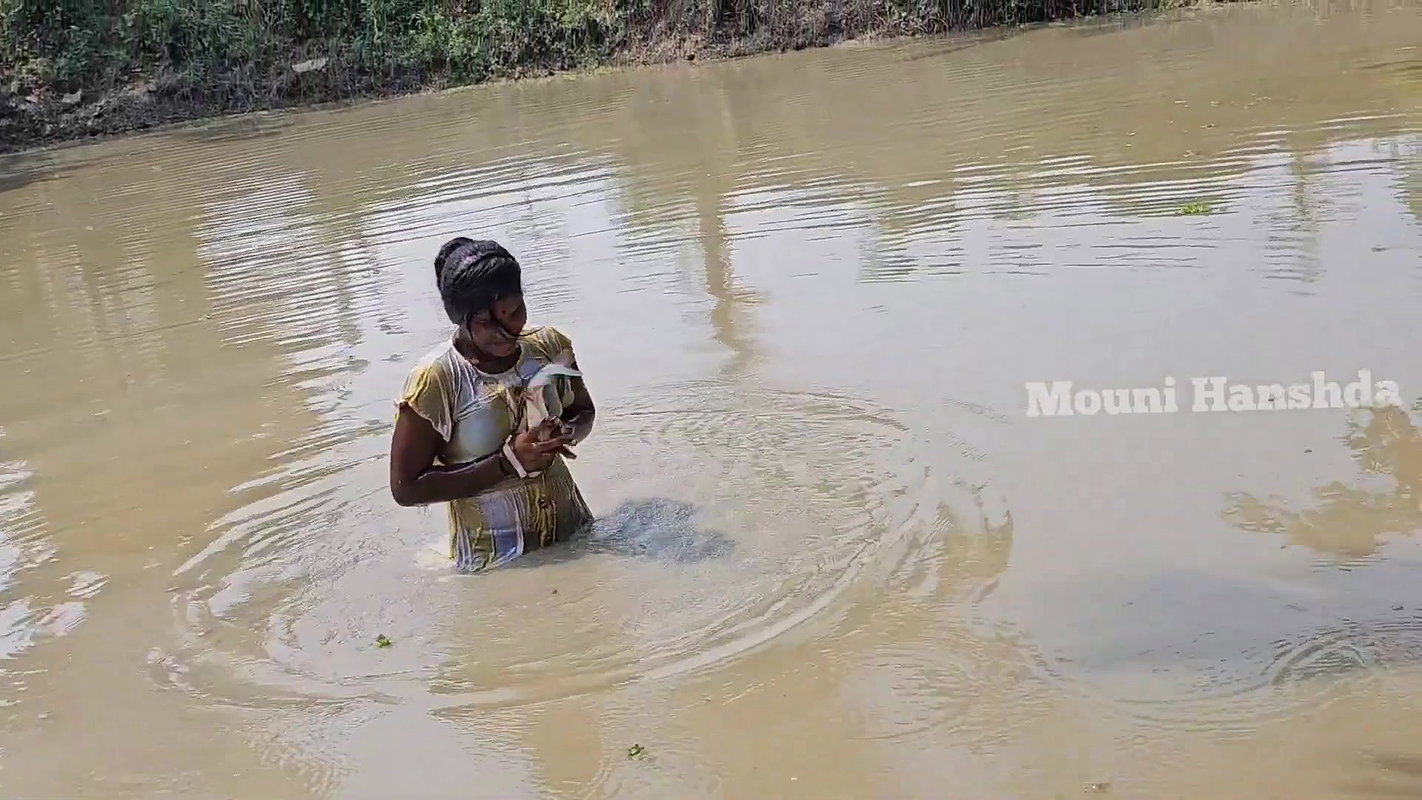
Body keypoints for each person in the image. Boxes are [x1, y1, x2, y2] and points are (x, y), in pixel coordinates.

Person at [388, 237, 596, 572]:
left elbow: (584, 412)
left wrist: (566, 432)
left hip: (578, 536)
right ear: (460, 319)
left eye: (514, 313)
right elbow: (406, 488)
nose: (507, 333)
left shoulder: (549, 346)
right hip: (495, 564)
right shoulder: (437, 378)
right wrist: (508, 462)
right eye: (487, 323)